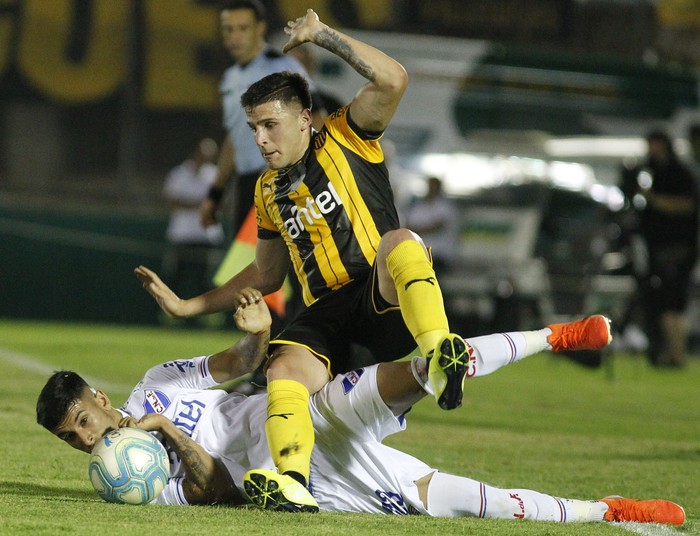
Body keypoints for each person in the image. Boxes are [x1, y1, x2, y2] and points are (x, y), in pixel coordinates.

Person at [134, 8, 473, 511]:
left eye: (270, 125)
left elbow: (393, 78)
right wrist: (189, 306)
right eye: (253, 128)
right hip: (328, 315)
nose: (260, 139)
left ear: (304, 119)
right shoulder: (269, 191)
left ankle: (441, 356)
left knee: (400, 241)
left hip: (381, 296)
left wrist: (323, 36)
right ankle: (292, 482)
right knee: (284, 368)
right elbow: (267, 273)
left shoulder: (346, 135)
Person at [35, 297, 684, 524]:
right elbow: (218, 495)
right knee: (463, 501)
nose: (87, 442)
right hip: (318, 483)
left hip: (304, 418)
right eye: (73, 441)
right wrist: (171, 436)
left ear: (96, 397)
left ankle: (558, 336)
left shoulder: (154, 385)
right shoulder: (133, 482)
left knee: (423, 369)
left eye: (83, 425)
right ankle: (611, 510)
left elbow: (234, 366)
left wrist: (260, 333)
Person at [200, 0, 316, 240]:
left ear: (260, 29)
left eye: (242, 28)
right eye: (229, 29)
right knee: (253, 270)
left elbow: (316, 120)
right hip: (248, 187)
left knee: (282, 269)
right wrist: (215, 195)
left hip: (283, 182)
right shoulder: (230, 78)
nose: (235, 37)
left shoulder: (282, 66)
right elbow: (236, 139)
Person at [636, 129, 699, 367]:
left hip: (679, 248)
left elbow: (686, 206)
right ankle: (671, 353)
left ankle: (677, 355)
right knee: (662, 303)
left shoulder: (680, 174)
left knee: (673, 303)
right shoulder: (649, 172)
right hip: (656, 248)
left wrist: (654, 200)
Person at [161, 138, 224, 321]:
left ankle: (208, 317)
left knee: (207, 279)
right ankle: (169, 314)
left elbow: (219, 203)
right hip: (181, 235)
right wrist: (202, 204)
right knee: (175, 277)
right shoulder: (179, 173)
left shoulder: (215, 174)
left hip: (207, 236)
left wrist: (198, 204)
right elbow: (173, 202)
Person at [404, 176, 459, 276]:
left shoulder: (445, 206)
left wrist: (417, 230)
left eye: (433, 186)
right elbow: (408, 226)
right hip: (418, 254)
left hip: (438, 256)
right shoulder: (419, 207)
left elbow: (438, 226)